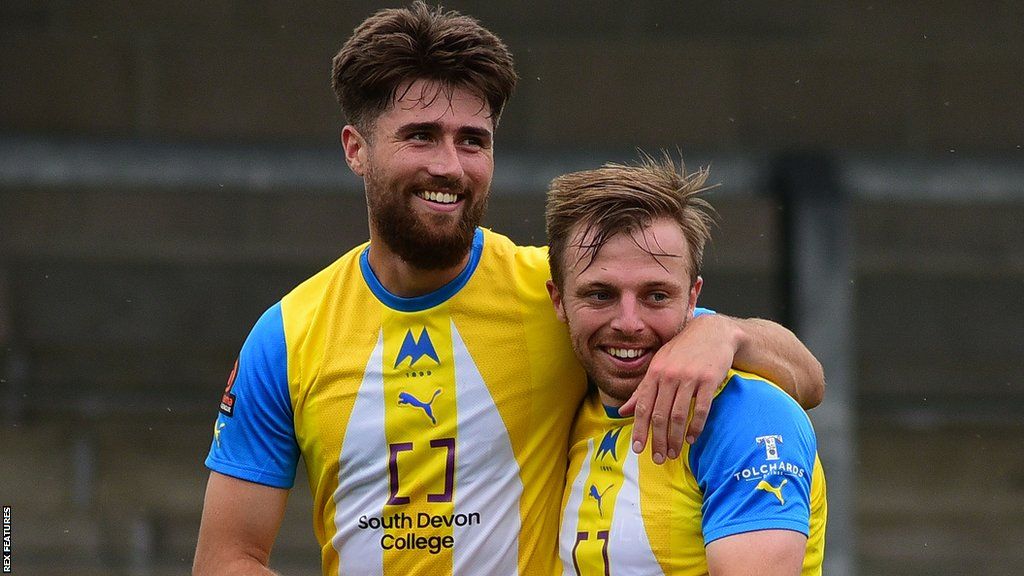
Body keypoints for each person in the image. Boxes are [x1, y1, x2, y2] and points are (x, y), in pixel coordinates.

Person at [192, 3, 824, 575]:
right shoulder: (286, 336)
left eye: (473, 140)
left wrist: (726, 332)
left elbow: (807, 380)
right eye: (420, 136)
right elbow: (227, 557)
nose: (450, 165)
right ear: (356, 149)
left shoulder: (569, 294)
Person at [546, 155, 827, 575]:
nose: (628, 323)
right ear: (557, 299)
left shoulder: (747, 415)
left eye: (656, 296)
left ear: (692, 298)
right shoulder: (565, 396)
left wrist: (725, 330)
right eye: (600, 295)